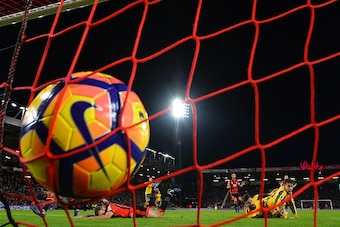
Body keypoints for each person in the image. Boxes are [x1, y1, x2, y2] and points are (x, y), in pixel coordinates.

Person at [79, 188, 181, 218]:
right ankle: (155, 193)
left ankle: (169, 194)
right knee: (151, 207)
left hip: (136, 210)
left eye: (102, 211)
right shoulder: (109, 206)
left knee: (159, 215)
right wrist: (85, 217)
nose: (104, 213)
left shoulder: (110, 208)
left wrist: (90, 217)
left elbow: (105, 217)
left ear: (103, 207)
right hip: (135, 211)